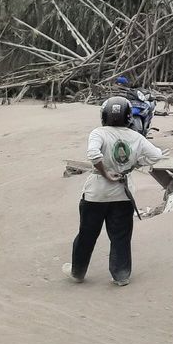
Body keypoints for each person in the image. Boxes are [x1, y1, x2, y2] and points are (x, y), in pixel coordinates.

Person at [63, 96, 165, 285]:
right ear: (128, 117)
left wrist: (105, 173)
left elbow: (93, 154)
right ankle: (121, 275)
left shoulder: (98, 133)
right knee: (120, 236)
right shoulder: (136, 137)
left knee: (87, 234)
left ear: (104, 115)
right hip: (123, 194)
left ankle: (78, 272)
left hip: (96, 193)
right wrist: (135, 163)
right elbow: (156, 155)